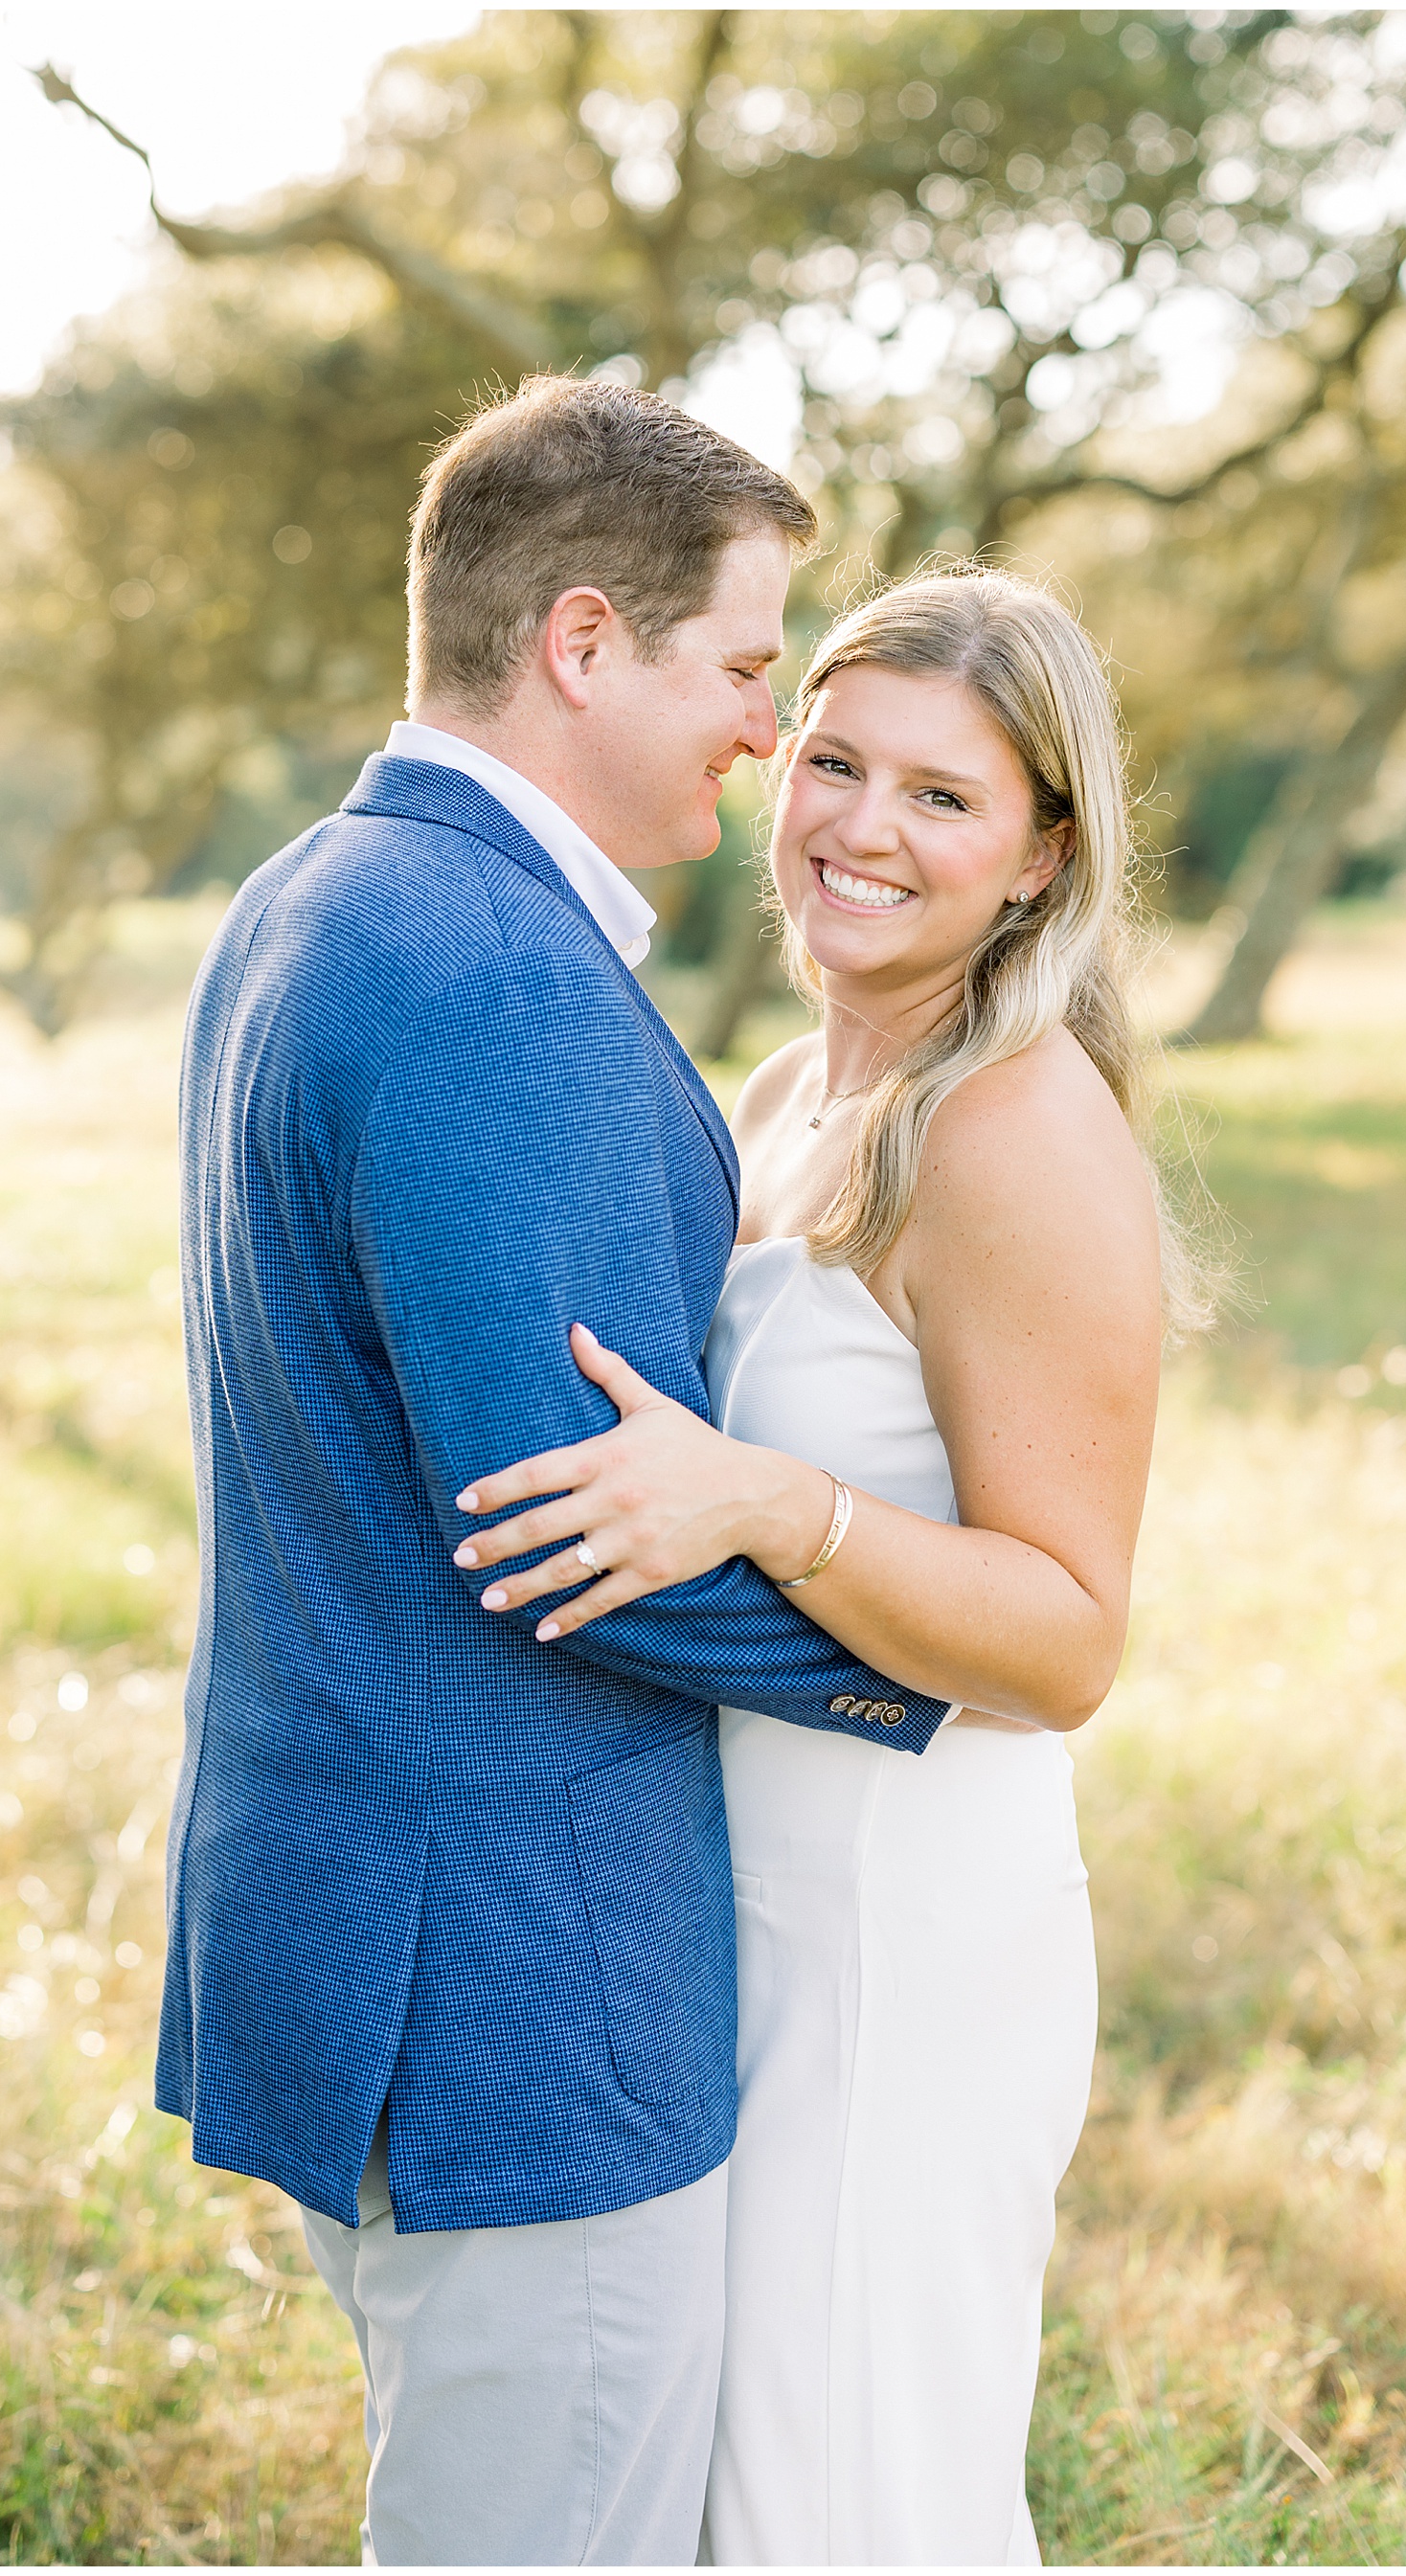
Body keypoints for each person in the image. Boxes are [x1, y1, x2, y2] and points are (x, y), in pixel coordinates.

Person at [157, 376, 956, 2569]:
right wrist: (955, 1675)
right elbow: (559, 1511)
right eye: (738, 667)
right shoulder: (492, 970)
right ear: (585, 642)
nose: (764, 732)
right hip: (523, 1982)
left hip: (361, 1921)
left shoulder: (317, 896)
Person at [456, 566, 1180, 2564]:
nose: (863, 826)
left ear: (1044, 856)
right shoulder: (790, 1095)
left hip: (895, 1928)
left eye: (945, 798)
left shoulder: (1015, 1131)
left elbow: (1067, 1639)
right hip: (741, 1908)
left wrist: (779, 1507)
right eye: (838, 762)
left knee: (848, 2500)